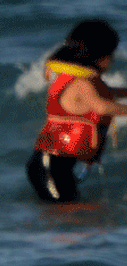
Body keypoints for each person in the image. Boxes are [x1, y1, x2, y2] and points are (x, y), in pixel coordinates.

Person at [27, 19, 127, 203]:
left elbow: (111, 93)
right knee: (72, 217)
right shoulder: (81, 83)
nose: (113, 60)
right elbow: (102, 106)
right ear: (98, 56)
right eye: (110, 54)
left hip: (54, 165)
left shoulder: (85, 81)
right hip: (51, 166)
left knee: (71, 215)